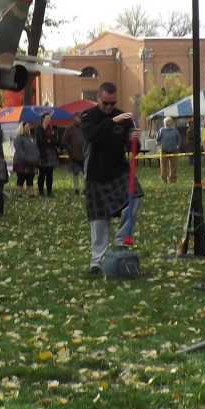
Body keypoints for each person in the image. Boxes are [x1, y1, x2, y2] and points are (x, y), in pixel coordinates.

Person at [80, 82, 137, 274]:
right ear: (98, 98)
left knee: (135, 198)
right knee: (99, 219)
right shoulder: (88, 116)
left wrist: (134, 140)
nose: (109, 107)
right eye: (105, 103)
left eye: (113, 103)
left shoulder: (124, 118)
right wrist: (112, 121)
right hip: (96, 174)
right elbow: (92, 136)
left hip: (119, 172)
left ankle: (121, 240)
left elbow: (130, 146)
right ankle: (97, 260)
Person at [34, 112, 60, 197]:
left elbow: (55, 141)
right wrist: (49, 140)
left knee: (50, 174)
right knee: (42, 174)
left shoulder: (50, 128)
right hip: (42, 153)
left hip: (51, 153)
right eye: (47, 118)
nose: (49, 120)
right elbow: (40, 141)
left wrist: (49, 140)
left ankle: (49, 192)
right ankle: (41, 191)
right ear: (43, 119)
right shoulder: (39, 128)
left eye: (49, 118)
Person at [64, 119, 87, 193]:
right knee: (75, 172)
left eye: (79, 118)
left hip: (84, 154)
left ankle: (85, 188)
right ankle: (76, 188)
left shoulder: (84, 127)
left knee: (85, 173)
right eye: (77, 118)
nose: (78, 120)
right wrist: (70, 149)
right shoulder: (70, 128)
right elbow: (65, 141)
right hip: (74, 155)